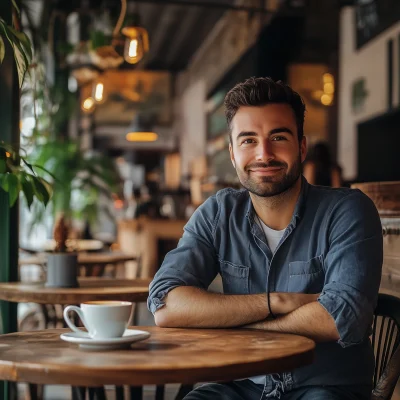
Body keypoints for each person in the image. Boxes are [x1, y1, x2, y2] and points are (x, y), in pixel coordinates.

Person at [147, 77, 383, 400]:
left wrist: (239, 328)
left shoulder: (348, 211)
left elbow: (342, 317)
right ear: (232, 154)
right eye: (248, 140)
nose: (264, 154)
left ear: (301, 146)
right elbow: (165, 304)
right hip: (240, 387)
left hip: (324, 388)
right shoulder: (218, 214)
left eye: (278, 137)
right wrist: (277, 302)